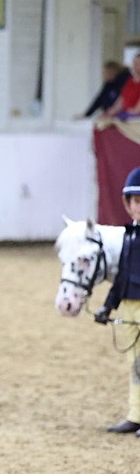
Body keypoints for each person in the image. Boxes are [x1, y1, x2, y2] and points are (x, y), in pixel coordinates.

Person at [94, 166, 140, 435]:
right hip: (131, 307)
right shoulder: (130, 236)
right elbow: (122, 277)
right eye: (136, 202)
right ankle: (136, 414)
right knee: (135, 363)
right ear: (128, 204)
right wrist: (107, 307)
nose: (139, 208)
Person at [106, 55, 140, 119]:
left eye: (138, 63)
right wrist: (112, 110)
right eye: (134, 63)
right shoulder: (130, 80)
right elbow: (122, 98)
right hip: (127, 114)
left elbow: (137, 110)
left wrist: (134, 111)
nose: (136, 66)